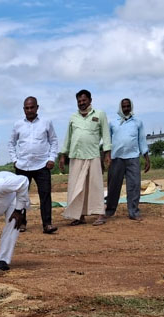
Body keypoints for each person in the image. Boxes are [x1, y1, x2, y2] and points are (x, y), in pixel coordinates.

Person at [59, 89, 111, 226]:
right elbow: (68, 137)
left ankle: (101, 214)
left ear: (90, 100)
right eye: (79, 101)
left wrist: (107, 153)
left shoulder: (99, 115)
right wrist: (63, 155)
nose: (81, 103)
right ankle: (79, 216)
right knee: (76, 187)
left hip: (93, 155)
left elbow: (106, 135)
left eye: (84, 100)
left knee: (95, 186)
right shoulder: (73, 117)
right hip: (76, 156)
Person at [8, 96, 59, 234]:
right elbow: (11, 143)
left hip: (42, 165)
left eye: (32, 107)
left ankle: (47, 224)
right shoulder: (18, 124)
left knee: (45, 195)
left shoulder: (46, 122)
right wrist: (15, 160)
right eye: (27, 108)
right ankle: (22, 222)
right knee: (21, 196)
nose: (29, 110)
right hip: (23, 166)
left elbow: (53, 141)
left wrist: (52, 158)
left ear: (37, 107)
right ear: (23, 109)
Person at [106, 98, 150, 221]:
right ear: (120, 108)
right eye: (124, 106)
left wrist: (146, 158)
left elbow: (142, 140)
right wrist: (107, 156)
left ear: (131, 107)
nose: (126, 109)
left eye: (128, 106)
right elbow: (107, 141)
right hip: (116, 158)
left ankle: (134, 212)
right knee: (113, 186)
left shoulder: (137, 122)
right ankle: (109, 211)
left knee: (134, 186)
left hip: (133, 158)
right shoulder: (113, 123)